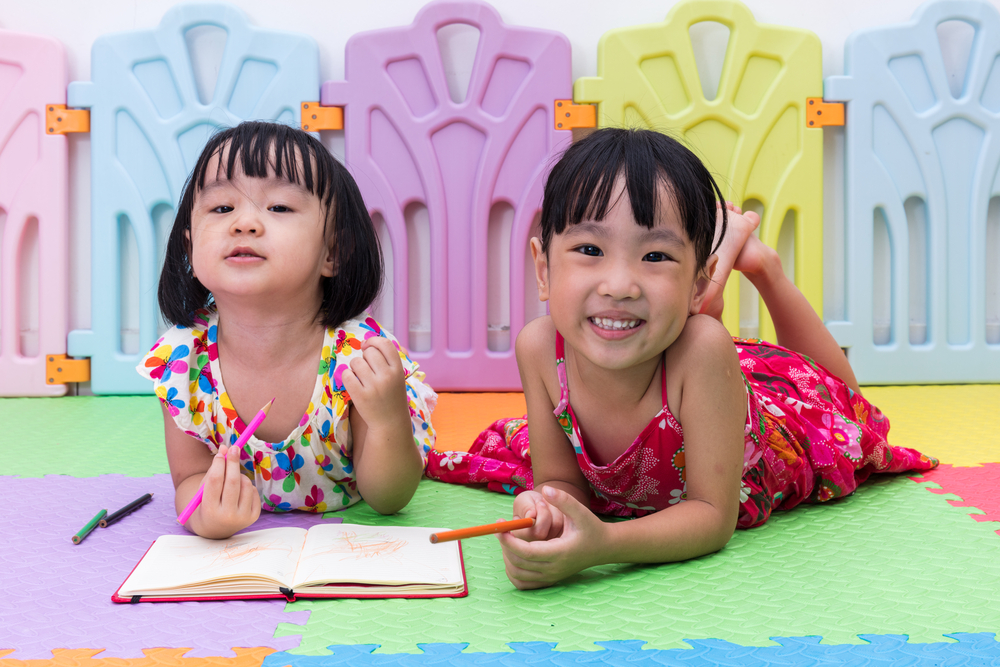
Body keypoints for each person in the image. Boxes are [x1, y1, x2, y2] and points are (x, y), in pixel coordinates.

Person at [425, 128, 937, 588]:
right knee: (671, 320)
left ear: (695, 279)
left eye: (654, 256)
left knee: (843, 410)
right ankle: (707, 269)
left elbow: (712, 515)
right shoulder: (539, 349)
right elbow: (560, 481)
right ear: (543, 268)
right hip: (679, 346)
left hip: (763, 416)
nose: (619, 285)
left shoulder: (705, 350)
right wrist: (548, 511)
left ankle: (763, 269)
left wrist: (601, 546)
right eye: (588, 250)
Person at [138, 121, 436, 539]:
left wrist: (388, 420)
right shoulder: (181, 364)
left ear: (333, 251)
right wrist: (208, 515)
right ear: (190, 248)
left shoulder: (360, 359)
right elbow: (190, 478)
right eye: (222, 208)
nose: (245, 224)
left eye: (278, 208)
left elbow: (388, 498)